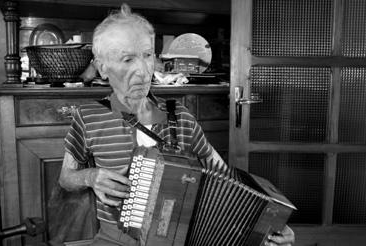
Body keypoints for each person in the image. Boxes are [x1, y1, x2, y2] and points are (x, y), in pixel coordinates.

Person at [58, 4, 295, 246]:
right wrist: (90, 176)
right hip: (114, 240)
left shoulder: (180, 115)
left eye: (148, 55)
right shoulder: (88, 117)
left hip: (182, 239)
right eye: (127, 59)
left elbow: (226, 180)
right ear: (102, 68)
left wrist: (268, 225)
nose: (143, 70)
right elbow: (66, 177)